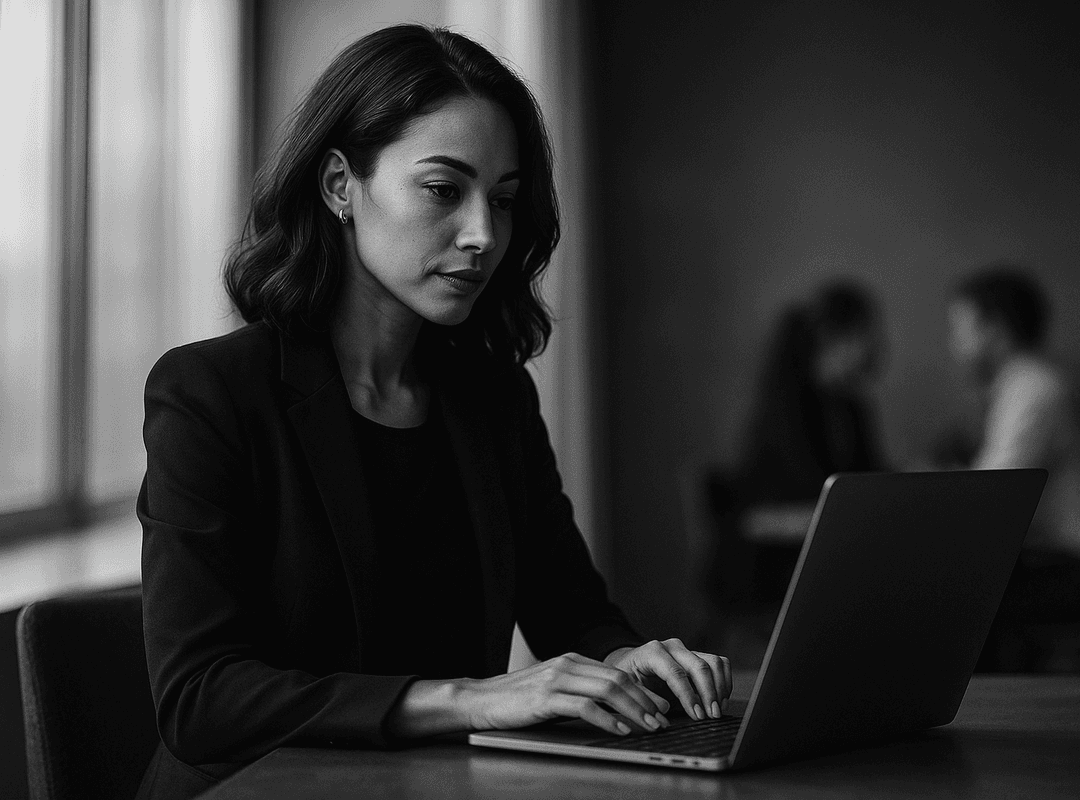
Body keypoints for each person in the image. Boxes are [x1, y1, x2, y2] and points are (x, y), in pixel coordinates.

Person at [135, 25, 730, 800]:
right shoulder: (208, 393)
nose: (484, 235)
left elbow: (572, 612)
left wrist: (628, 661)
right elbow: (199, 700)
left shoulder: (493, 398)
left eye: (504, 201)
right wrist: (471, 700)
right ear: (340, 185)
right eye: (445, 190)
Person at [946, 265, 1080, 669]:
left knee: (952, 599)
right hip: (1073, 560)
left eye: (960, 328)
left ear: (995, 329)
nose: (954, 344)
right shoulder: (1028, 384)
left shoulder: (1032, 390)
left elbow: (989, 500)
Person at [702, 281, 886, 662]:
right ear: (836, 337)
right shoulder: (786, 408)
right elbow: (769, 511)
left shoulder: (852, 410)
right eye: (866, 333)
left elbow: (870, 483)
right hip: (773, 566)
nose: (875, 346)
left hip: (823, 553)